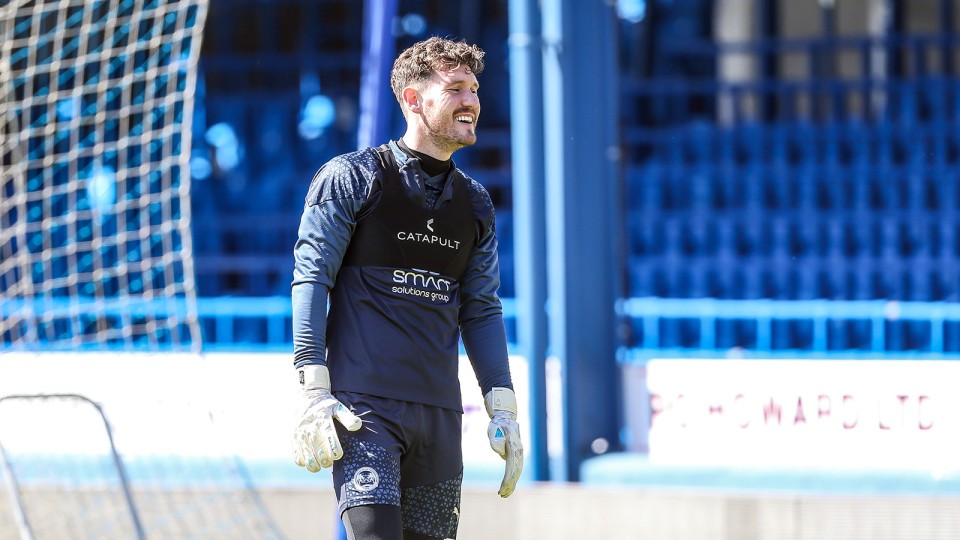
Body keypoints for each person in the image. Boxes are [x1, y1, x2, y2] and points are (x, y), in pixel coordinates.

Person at [290, 36, 523, 540]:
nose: (472, 101)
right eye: (456, 88)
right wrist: (313, 389)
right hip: (364, 412)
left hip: (441, 418)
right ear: (413, 100)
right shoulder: (351, 177)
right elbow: (312, 278)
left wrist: (502, 404)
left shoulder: (476, 203)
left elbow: (481, 309)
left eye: (475, 89)